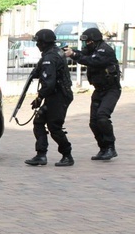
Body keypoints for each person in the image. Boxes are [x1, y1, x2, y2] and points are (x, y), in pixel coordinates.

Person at [64, 27, 121, 160]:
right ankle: (103, 148)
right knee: (93, 122)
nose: (86, 44)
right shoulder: (92, 49)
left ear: (94, 40)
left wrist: (74, 55)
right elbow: (82, 53)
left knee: (102, 116)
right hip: (99, 90)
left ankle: (110, 148)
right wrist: (70, 52)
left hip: (111, 90)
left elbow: (93, 61)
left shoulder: (104, 50)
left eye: (88, 41)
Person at [24, 28, 74, 167]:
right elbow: (40, 71)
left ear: (44, 43)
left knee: (54, 126)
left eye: (38, 42)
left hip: (59, 96)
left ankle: (67, 155)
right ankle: (41, 155)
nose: (37, 45)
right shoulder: (53, 52)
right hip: (55, 95)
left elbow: (49, 83)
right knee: (39, 121)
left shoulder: (50, 57)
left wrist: (39, 98)